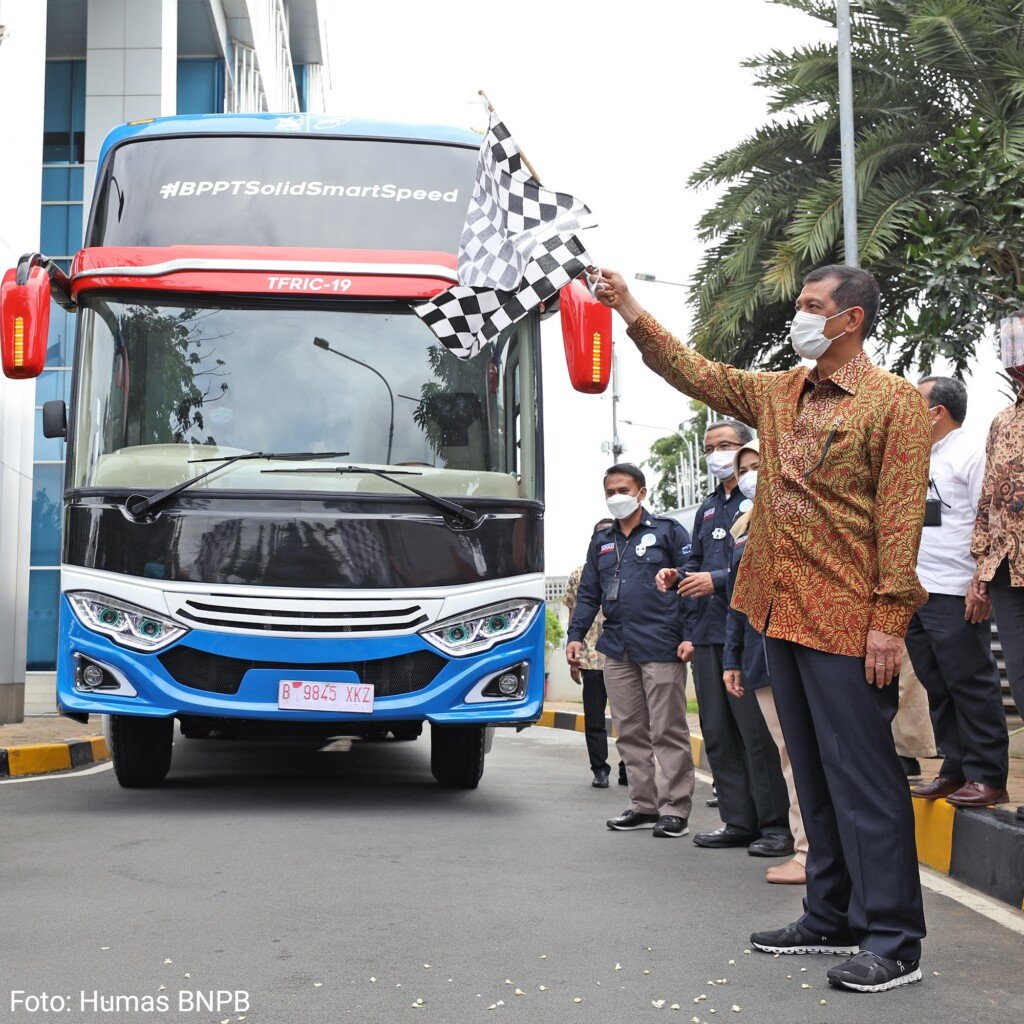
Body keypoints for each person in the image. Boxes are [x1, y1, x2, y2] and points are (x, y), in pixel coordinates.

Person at [592, 263, 930, 993]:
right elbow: (693, 370)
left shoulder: (893, 404)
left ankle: (895, 940)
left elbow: (900, 522)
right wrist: (628, 306)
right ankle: (829, 913)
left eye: (813, 307)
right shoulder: (778, 394)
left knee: (865, 782)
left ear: (853, 319)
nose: (798, 317)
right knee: (811, 776)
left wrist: (888, 621)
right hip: (778, 613)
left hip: (847, 621)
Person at [658, 422, 793, 858]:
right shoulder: (709, 507)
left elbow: (744, 570)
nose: (717, 454)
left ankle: (775, 826)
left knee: (756, 734)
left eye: (726, 446)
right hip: (709, 634)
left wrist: (713, 580)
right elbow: (694, 559)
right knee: (717, 733)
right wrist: (678, 575)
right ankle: (738, 820)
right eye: (710, 448)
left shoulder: (763, 503)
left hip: (751, 634)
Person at [566, 463, 695, 838]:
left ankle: (675, 808)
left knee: (667, 728)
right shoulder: (602, 541)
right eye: (609, 492)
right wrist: (575, 635)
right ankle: (643, 804)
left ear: (641, 492)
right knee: (629, 731)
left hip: (660, 644)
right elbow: (588, 594)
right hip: (616, 647)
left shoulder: (668, 532)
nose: (616, 497)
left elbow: (690, 581)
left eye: (623, 489)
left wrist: (689, 635)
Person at [905, 376, 1009, 807]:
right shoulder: (918, 457)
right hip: (917, 590)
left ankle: (988, 775)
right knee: (937, 684)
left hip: (956, 589)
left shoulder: (971, 452)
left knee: (971, 683)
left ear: (937, 412)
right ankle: (955, 768)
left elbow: (991, 519)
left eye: (916, 403)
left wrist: (980, 582)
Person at [721, 439, 808, 885]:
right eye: (747, 467)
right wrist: (732, 657)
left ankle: (815, 853)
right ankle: (807, 851)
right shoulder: (743, 529)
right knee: (789, 755)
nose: (753, 474)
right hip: (760, 656)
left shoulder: (805, 516)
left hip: (805, 650)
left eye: (760, 465)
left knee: (810, 755)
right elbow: (740, 600)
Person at [971, 311, 1024, 822]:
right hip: (1008, 572)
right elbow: (989, 500)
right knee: (1023, 682)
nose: (1016, 360)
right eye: (1011, 349)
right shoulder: (1003, 423)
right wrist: (981, 571)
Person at [563, 518, 628, 789]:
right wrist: (573, 652)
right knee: (595, 718)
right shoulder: (580, 574)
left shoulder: (628, 567)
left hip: (623, 655)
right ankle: (599, 769)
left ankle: (629, 768)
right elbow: (573, 613)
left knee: (629, 718)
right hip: (591, 658)